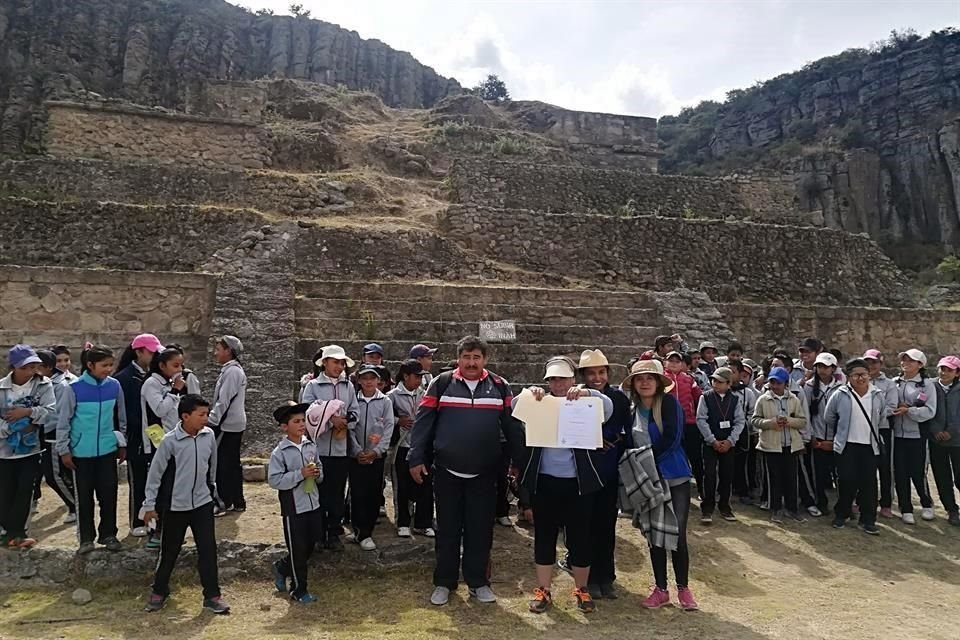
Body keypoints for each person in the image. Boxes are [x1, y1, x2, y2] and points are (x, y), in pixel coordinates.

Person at [407, 336, 521, 606]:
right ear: (459, 358)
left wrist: (519, 461)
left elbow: (513, 428)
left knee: (480, 531)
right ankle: (444, 583)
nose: (472, 362)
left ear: (485, 360)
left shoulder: (500, 386)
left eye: (477, 357)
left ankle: (478, 582)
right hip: (447, 472)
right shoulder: (441, 383)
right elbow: (423, 423)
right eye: (467, 357)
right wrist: (415, 458)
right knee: (447, 530)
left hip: (484, 473)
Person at [517, 356, 612, 614]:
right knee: (544, 537)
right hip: (545, 482)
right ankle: (544, 590)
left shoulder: (585, 399)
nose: (557, 383)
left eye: (562, 378)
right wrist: (531, 393)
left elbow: (608, 407)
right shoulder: (540, 401)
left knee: (580, 538)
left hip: (578, 483)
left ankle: (581, 589)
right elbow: (515, 406)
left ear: (572, 379)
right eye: (552, 379)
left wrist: (587, 391)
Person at [621, 359, 698, 611]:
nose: (644, 382)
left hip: (673, 475)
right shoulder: (631, 411)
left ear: (657, 382)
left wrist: (648, 459)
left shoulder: (669, 404)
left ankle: (684, 589)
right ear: (633, 384)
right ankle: (661, 589)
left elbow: (673, 438)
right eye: (639, 378)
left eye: (649, 378)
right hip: (648, 479)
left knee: (677, 532)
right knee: (654, 534)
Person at [142, 395, 229, 614]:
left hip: (202, 504)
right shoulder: (170, 442)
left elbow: (212, 467)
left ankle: (212, 596)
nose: (205, 419)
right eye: (201, 415)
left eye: (207, 414)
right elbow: (155, 476)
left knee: (208, 550)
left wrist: (212, 493)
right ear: (185, 416)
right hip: (175, 507)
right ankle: (159, 591)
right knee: (169, 551)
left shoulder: (208, 436)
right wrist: (150, 505)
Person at [55, 345, 127, 554]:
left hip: (107, 450)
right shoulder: (73, 389)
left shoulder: (114, 386)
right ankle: (86, 539)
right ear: (90, 365)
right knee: (84, 498)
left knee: (109, 495)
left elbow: (120, 418)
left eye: (110, 365)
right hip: (80, 453)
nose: (108, 369)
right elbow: (64, 421)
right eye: (104, 365)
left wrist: (122, 443)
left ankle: (109, 534)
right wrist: (64, 450)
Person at [578, 349, 631, 600]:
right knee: (584, 524)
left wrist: (610, 439)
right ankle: (587, 577)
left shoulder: (619, 398)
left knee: (606, 525)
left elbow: (622, 429)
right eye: (591, 373)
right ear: (584, 375)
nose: (597, 378)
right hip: (585, 469)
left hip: (609, 469)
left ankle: (606, 576)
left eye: (601, 372)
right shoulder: (576, 395)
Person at [300, 344, 359, 551]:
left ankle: (334, 531)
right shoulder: (313, 386)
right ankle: (317, 533)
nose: (340, 366)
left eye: (342, 363)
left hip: (341, 449)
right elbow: (307, 412)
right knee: (318, 491)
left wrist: (345, 421)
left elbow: (355, 411)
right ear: (325, 363)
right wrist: (329, 419)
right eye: (336, 362)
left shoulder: (348, 386)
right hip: (319, 449)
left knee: (337, 492)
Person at [0, 345, 55, 548]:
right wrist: (10, 429)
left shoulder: (43, 385)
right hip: (4, 450)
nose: (31, 371)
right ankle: (6, 531)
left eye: (34, 366)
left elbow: (50, 412)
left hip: (31, 449)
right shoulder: (1, 388)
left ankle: (19, 532)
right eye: (26, 367)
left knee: (26, 490)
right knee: (5, 491)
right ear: (14, 367)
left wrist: (27, 412)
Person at [268, 401, 323, 603]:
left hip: (313, 503)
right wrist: (300, 474)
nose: (301, 425)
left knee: (310, 545)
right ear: (285, 427)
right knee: (298, 549)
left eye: (303, 421)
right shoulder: (279, 453)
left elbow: (320, 472)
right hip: (293, 507)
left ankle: (282, 567)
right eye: (296, 421)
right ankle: (299, 590)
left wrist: (316, 474)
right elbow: (275, 480)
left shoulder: (310, 446)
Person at [824, 359, 885, 535]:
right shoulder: (840, 394)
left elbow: (881, 419)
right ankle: (842, 514)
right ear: (848, 377)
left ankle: (868, 520)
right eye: (856, 375)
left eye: (863, 374)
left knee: (869, 484)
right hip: (846, 446)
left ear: (869, 375)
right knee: (846, 482)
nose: (860, 378)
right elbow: (829, 417)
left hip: (869, 445)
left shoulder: (877, 394)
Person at [114, 334, 164, 537]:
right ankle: (137, 519)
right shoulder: (124, 378)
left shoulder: (154, 376)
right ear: (139, 352)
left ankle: (154, 520)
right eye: (151, 352)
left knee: (156, 480)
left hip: (155, 435)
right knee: (139, 481)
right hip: (136, 437)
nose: (155, 356)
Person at [141, 347, 187, 548]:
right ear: (162, 365)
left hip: (173, 440)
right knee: (159, 487)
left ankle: (171, 530)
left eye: (181, 365)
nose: (179, 369)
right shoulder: (151, 383)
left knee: (173, 487)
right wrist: (175, 391)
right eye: (175, 365)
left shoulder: (169, 382)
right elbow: (159, 409)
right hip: (156, 441)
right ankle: (154, 531)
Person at [751, 366, 807, 523]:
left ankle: (792, 509)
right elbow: (755, 420)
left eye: (778, 383)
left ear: (786, 384)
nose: (775, 386)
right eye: (772, 383)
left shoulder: (794, 400)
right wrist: (771, 423)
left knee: (791, 479)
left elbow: (802, 421)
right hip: (771, 445)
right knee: (774, 479)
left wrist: (788, 421)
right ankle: (775, 509)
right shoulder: (763, 399)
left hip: (790, 445)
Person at [349, 364, 394, 551]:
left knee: (374, 493)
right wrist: (357, 451)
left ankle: (367, 530)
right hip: (356, 457)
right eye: (364, 378)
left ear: (379, 381)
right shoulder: (353, 401)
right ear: (359, 380)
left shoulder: (385, 402)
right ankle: (360, 530)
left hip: (376, 457)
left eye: (372, 378)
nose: (368, 382)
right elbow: (349, 427)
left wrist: (376, 451)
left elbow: (389, 427)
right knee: (356, 493)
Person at [388, 359, 432, 538]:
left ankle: (423, 523)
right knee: (402, 486)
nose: (419, 381)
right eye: (416, 377)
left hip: (422, 446)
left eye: (421, 377)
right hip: (402, 445)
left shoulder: (426, 394)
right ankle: (403, 522)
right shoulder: (392, 396)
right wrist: (400, 421)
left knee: (425, 485)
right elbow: (384, 418)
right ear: (405, 376)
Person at [695, 367, 745, 524]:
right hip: (711, 443)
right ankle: (707, 508)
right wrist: (712, 440)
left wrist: (731, 440)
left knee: (727, 475)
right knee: (709, 475)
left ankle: (725, 506)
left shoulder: (736, 399)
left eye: (720, 381)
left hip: (728, 444)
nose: (715, 384)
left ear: (729, 384)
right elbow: (701, 419)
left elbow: (740, 421)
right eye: (714, 380)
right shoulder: (706, 397)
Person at [893, 349, 937, 524]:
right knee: (900, 473)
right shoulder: (894, 382)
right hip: (897, 435)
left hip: (917, 436)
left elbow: (930, 410)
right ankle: (906, 508)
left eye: (911, 361)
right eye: (904, 360)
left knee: (918, 472)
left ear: (920, 364)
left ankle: (926, 503)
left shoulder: (927, 385)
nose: (906, 363)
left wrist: (909, 410)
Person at [34, 350, 77, 524]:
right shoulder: (41, 382)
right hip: (40, 433)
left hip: (52, 434)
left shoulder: (60, 385)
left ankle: (75, 505)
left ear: (47, 367)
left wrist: (34, 419)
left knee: (54, 475)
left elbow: (57, 414)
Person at [208, 336, 248, 516]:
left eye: (218, 349)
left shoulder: (232, 372)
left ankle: (225, 501)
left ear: (228, 351)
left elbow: (224, 400)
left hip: (227, 424)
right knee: (231, 463)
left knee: (222, 464)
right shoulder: (231, 371)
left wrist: (212, 420)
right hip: (231, 423)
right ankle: (236, 500)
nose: (215, 353)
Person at [862, 349, 898, 518]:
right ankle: (863, 500)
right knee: (863, 466)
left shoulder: (889, 384)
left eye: (874, 362)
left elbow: (891, 407)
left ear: (880, 364)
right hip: (861, 428)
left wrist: (872, 414)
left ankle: (886, 503)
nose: (871, 366)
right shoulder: (858, 380)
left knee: (885, 467)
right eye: (868, 362)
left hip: (882, 428)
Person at [805, 352, 842, 517]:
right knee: (818, 474)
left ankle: (843, 505)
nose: (823, 370)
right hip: (817, 436)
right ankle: (821, 502)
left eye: (826, 366)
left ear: (833, 368)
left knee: (840, 474)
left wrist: (837, 438)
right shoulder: (808, 387)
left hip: (836, 438)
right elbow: (805, 414)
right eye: (820, 366)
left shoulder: (841, 388)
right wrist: (811, 436)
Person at [665, 351, 704, 500]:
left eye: (677, 361)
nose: (674, 363)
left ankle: (702, 490)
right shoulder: (662, 379)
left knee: (695, 458)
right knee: (670, 456)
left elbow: (699, 397)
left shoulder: (689, 379)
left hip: (689, 423)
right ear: (665, 362)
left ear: (682, 363)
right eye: (671, 360)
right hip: (669, 424)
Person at [930, 356, 960, 526]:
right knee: (942, 478)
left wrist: (951, 431)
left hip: (958, 441)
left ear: (957, 373)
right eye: (942, 368)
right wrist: (936, 430)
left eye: (949, 369)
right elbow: (927, 409)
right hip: (937, 441)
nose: (944, 372)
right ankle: (952, 510)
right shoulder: (931, 386)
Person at [731, 361, 759, 505]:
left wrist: (744, 425)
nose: (730, 374)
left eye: (733, 372)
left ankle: (743, 490)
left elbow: (752, 413)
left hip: (743, 433)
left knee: (743, 463)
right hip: (724, 432)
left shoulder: (747, 393)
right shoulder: (721, 391)